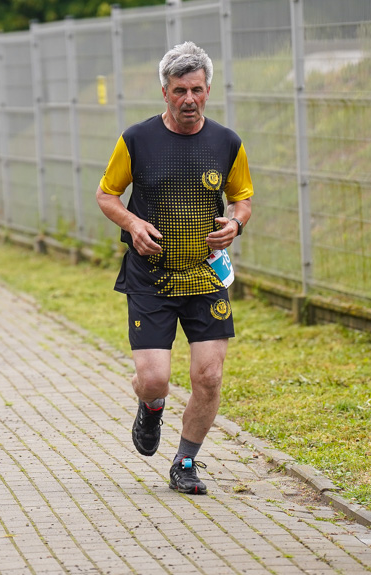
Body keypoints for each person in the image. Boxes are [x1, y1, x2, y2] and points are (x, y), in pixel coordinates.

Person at [96, 42, 253, 495]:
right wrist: (132, 222)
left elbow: (242, 199)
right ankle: (152, 407)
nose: (189, 99)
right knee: (153, 378)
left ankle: (185, 461)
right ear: (164, 91)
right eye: (180, 90)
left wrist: (235, 224)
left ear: (208, 90)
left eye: (198, 90)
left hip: (205, 276)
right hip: (151, 275)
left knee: (209, 375)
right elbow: (107, 195)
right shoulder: (136, 140)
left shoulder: (226, 142)